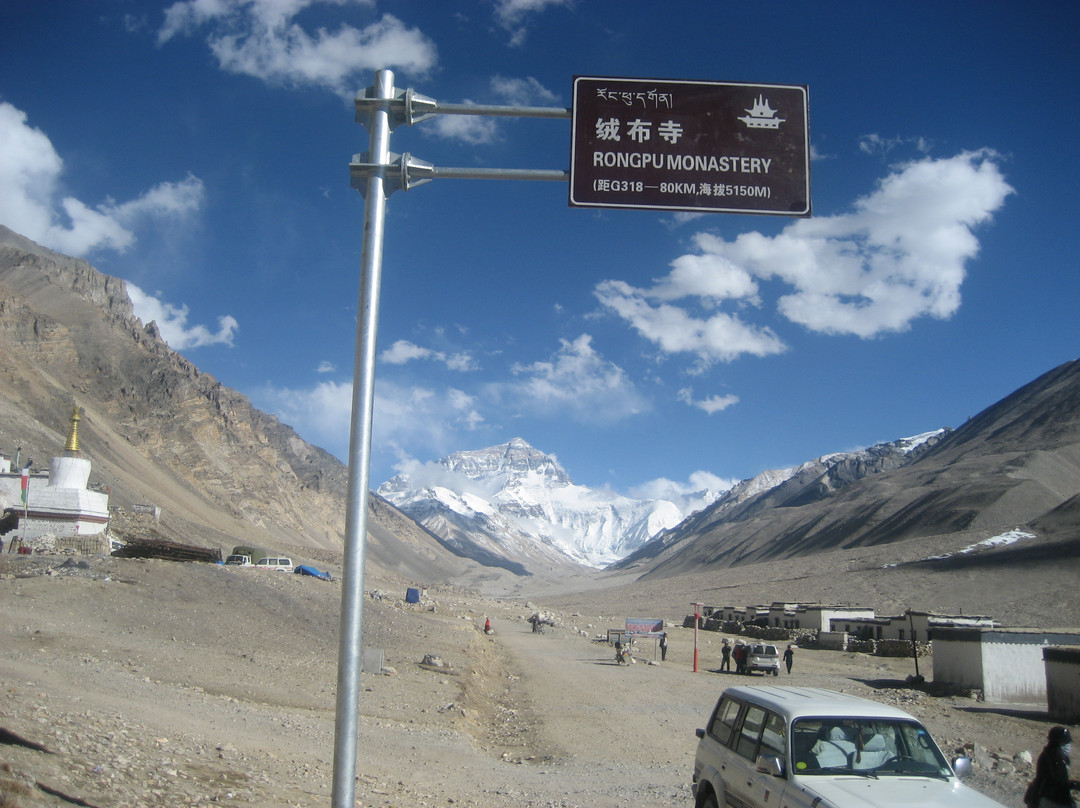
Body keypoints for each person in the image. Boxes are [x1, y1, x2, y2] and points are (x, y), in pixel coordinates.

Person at [1031, 726, 1079, 808]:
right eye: (1064, 743)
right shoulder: (1051, 759)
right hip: (1053, 800)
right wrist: (1073, 784)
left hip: (1053, 799)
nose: (1068, 746)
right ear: (1057, 742)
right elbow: (1055, 782)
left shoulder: (1058, 757)